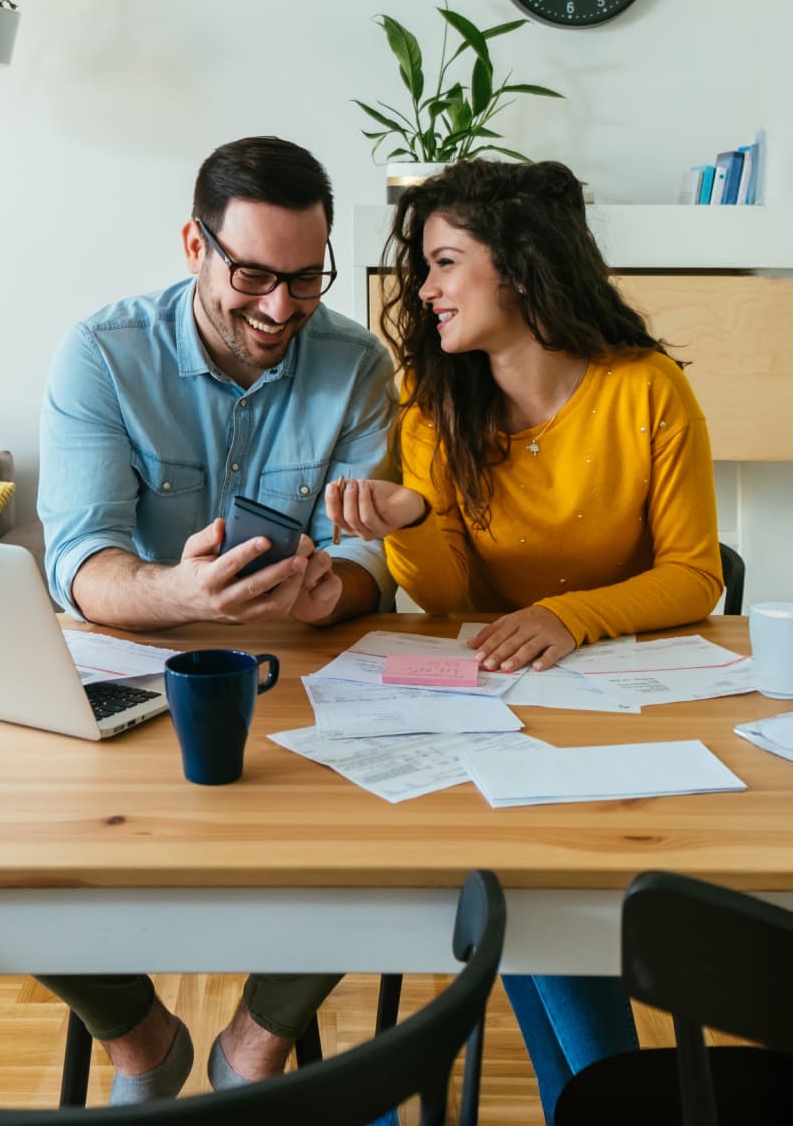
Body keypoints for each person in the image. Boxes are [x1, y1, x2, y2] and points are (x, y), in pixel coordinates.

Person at [325, 157, 723, 1123]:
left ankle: (594, 1103)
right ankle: (605, 1105)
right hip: (485, 712)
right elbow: (445, 605)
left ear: (522, 267)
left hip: (615, 715)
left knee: (516, 884)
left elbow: (697, 575)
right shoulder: (434, 396)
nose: (425, 289)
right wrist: (414, 517)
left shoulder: (647, 391)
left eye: (446, 262)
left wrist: (568, 615)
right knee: (513, 876)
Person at [35, 136, 397, 1104]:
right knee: (11, 854)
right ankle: (139, 1037)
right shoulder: (102, 355)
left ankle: (257, 1044)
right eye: (251, 276)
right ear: (193, 246)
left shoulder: (359, 365)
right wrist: (179, 596)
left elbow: (371, 562)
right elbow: (81, 565)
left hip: (295, 677)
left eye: (304, 280)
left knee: (389, 842)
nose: (279, 309)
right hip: (126, 667)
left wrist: (341, 592)